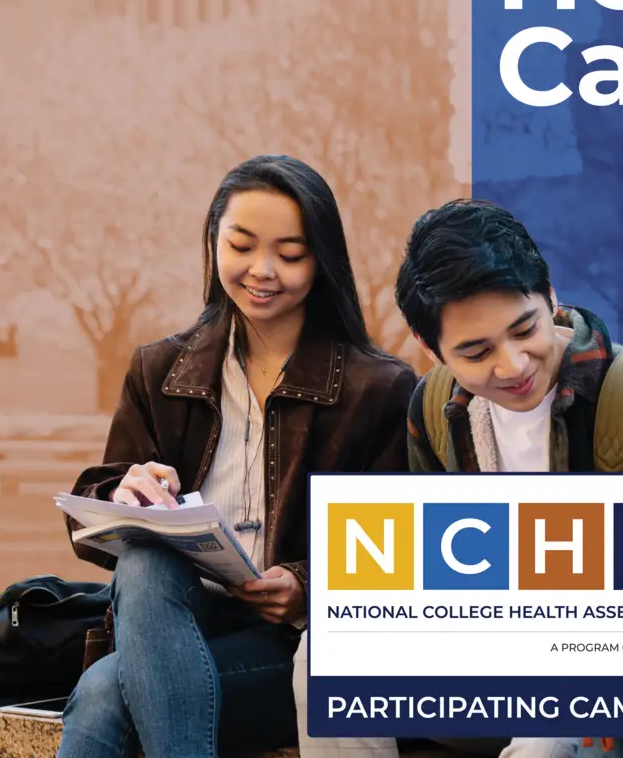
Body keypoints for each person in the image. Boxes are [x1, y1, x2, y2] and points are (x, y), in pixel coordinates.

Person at [291, 198, 623, 758]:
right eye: (476, 352)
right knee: (325, 651)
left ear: (549, 295)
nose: (513, 365)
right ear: (432, 350)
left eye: (524, 329)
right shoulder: (434, 411)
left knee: (543, 742)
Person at [58, 156, 417, 758]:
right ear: (213, 241)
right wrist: (123, 493)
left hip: (295, 647)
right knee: (145, 562)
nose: (262, 271)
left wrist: (307, 583)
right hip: (175, 621)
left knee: (102, 692)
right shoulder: (160, 370)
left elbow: (402, 546)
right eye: (241, 246)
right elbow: (94, 527)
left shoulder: (378, 389)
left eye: (290, 253)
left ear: (322, 259)